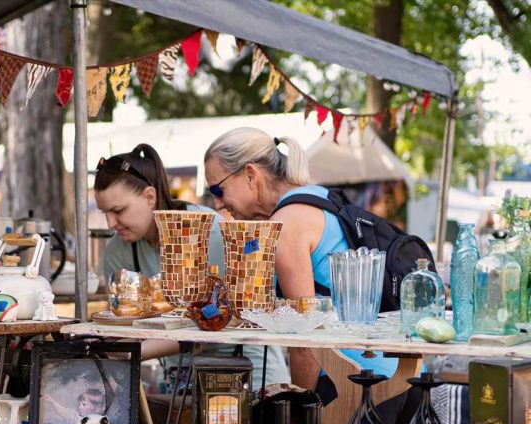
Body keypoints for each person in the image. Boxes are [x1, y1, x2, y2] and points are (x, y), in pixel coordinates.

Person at [203, 127, 398, 393]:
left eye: (218, 189)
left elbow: (304, 340)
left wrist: (299, 409)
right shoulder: (315, 197)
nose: (217, 204)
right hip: (390, 373)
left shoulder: (287, 223)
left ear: (250, 175)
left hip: (354, 384)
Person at [94, 143, 290, 391]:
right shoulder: (117, 250)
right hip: (183, 383)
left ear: (149, 197)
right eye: (104, 213)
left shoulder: (210, 230)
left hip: (248, 376)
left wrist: (129, 350)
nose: (111, 222)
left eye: (118, 210)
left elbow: (214, 320)